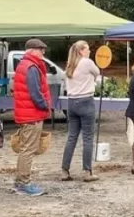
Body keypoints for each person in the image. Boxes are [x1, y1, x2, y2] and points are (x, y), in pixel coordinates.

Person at [11, 39, 51, 196]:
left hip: (26, 113)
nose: (43, 53)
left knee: (25, 148)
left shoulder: (24, 65)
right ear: (32, 50)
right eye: (41, 50)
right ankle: (23, 183)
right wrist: (45, 106)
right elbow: (35, 93)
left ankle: (20, 181)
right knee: (28, 149)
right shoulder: (31, 68)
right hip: (31, 114)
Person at [60, 40, 99, 182]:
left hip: (71, 102)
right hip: (86, 100)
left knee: (72, 137)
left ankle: (65, 170)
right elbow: (97, 72)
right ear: (81, 51)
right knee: (88, 138)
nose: (89, 51)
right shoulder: (86, 62)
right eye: (87, 49)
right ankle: (87, 171)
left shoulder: (70, 65)